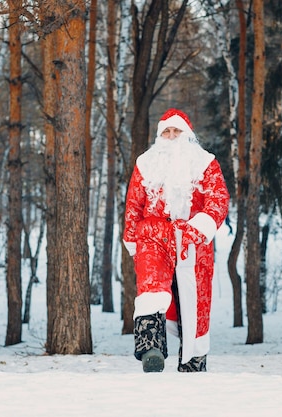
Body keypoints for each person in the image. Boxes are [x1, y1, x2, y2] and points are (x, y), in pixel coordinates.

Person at [123, 108, 230, 372]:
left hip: (191, 240)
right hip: (152, 235)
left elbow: (218, 199)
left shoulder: (205, 163)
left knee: (193, 303)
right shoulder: (146, 162)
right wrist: (132, 236)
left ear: (187, 134)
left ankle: (193, 363)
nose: (171, 137)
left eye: (176, 131)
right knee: (151, 290)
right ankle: (151, 349)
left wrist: (199, 228)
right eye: (166, 132)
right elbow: (134, 203)